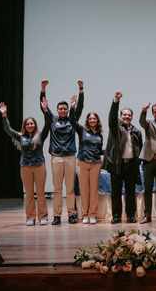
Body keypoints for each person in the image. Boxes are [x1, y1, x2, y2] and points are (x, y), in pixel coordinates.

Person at [0, 98, 51, 226]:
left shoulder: (40, 135)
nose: (30, 125)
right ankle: (30, 217)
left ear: (35, 125)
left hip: (39, 166)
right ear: (25, 126)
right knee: (29, 194)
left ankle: (43, 217)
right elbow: (8, 130)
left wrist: (45, 111)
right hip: (25, 167)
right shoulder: (21, 136)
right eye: (28, 124)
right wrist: (4, 115)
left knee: (40, 193)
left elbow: (48, 123)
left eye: (32, 123)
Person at [40, 80, 84, 225]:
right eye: (61, 109)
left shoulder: (73, 119)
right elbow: (43, 107)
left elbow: (80, 107)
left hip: (71, 157)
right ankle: (57, 215)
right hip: (57, 158)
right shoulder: (52, 120)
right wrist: (43, 89)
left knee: (70, 189)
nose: (63, 110)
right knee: (57, 189)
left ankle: (72, 214)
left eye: (65, 108)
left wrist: (81, 90)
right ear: (57, 110)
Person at [103, 91, 143, 224]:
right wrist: (116, 101)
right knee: (116, 192)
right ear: (121, 116)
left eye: (129, 115)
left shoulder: (137, 132)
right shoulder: (116, 128)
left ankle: (131, 215)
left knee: (131, 192)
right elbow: (112, 118)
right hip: (117, 164)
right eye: (124, 114)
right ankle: (116, 216)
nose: (126, 116)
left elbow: (140, 149)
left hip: (131, 165)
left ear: (131, 117)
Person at [69, 95, 103, 224]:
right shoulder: (82, 130)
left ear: (97, 120)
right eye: (90, 118)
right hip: (82, 163)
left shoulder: (100, 133)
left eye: (94, 118)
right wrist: (72, 107)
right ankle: (85, 214)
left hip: (95, 164)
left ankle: (93, 214)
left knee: (94, 190)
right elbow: (72, 121)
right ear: (87, 120)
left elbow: (99, 150)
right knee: (84, 190)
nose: (92, 120)